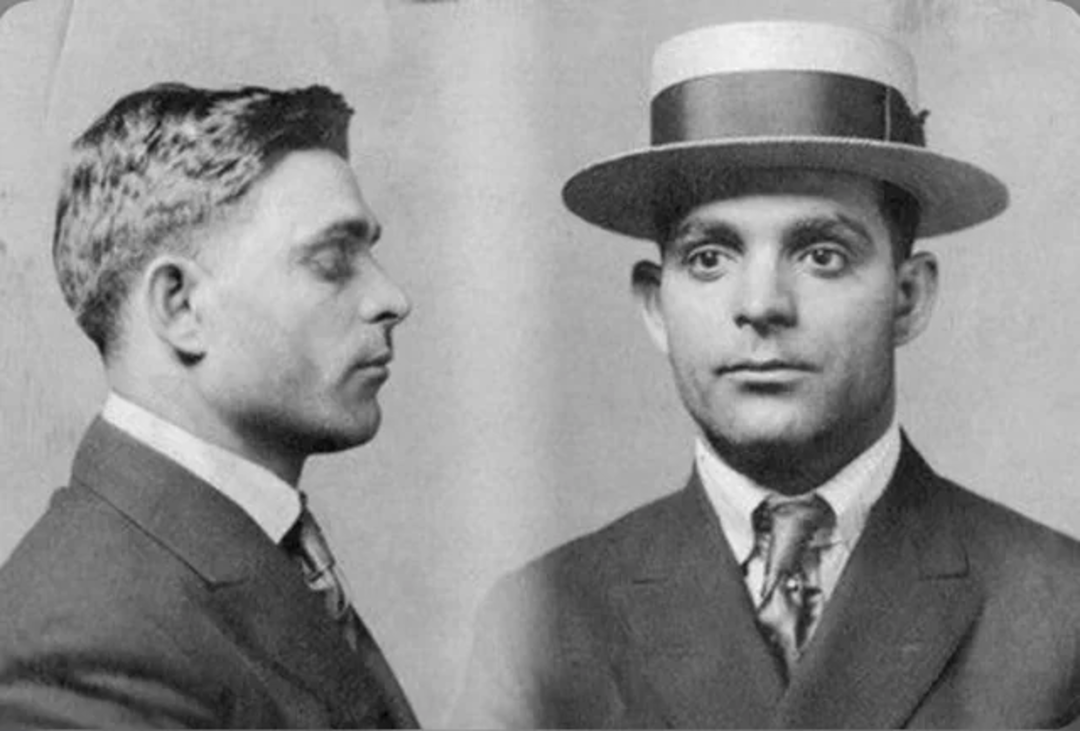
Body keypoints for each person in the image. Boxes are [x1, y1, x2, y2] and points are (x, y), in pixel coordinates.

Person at [454, 21, 1080, 729]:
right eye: (710, 257)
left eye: (821, 255)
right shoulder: (543, 623)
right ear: (656, 306)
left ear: (907, 297)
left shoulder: (1059, 606)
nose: (760, 306)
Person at [0, 83, 418, 728]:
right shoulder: (88, 638)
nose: (390, 298)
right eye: (334, 260)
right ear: (180, 306)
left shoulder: (233, 551)